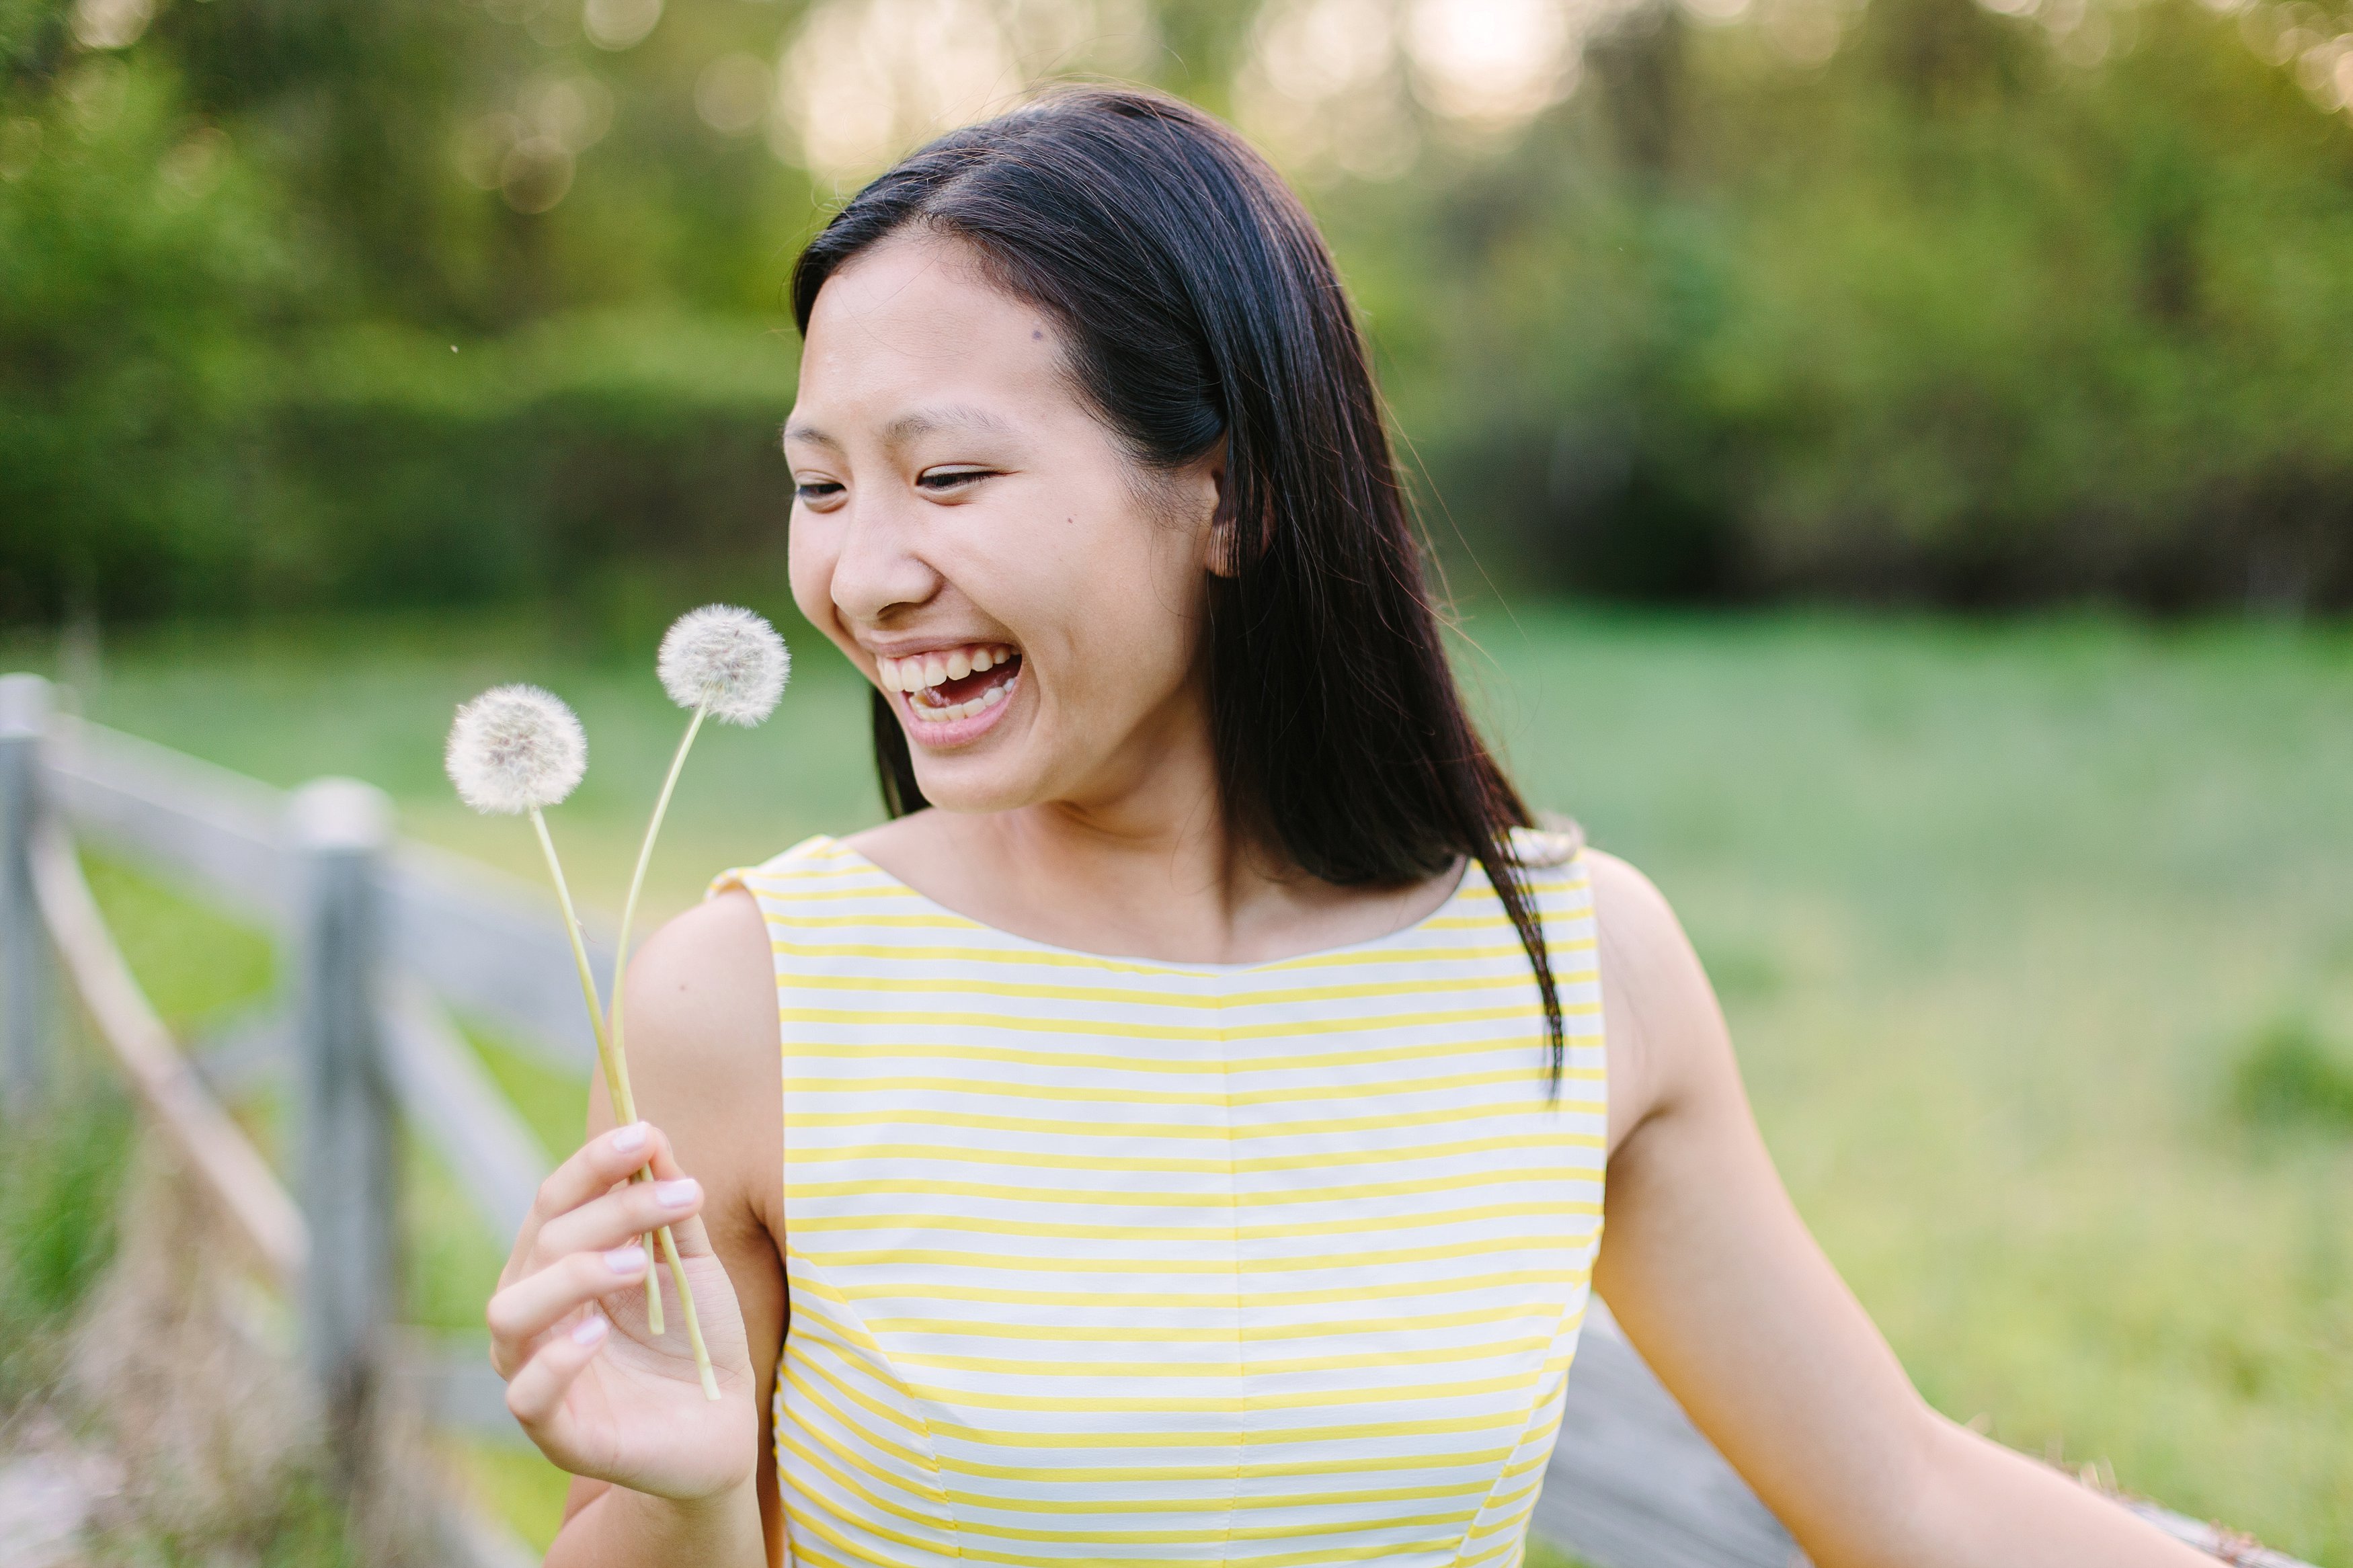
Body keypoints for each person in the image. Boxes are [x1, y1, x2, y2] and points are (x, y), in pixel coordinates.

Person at [485, 86, 2212, 1567]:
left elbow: (1903, 1497)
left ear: (1227, 497)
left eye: (945, 478)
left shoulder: (1582, 965)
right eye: (818, 483)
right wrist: (695, 1502)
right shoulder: (742, 1002)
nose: (860, 573)